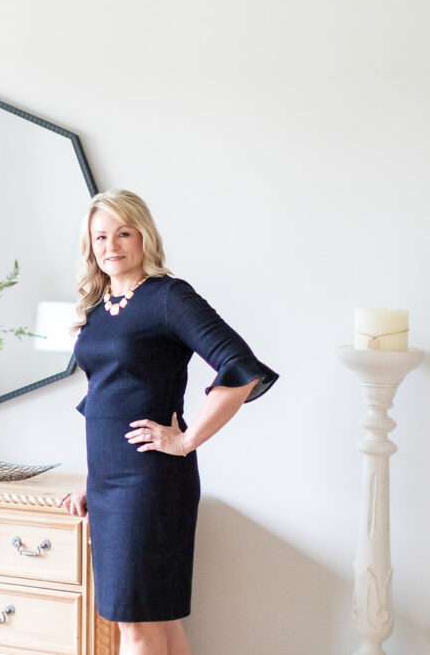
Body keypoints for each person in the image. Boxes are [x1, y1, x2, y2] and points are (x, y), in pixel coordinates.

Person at [61, 189, 278, 655]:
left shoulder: (167, 297)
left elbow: (241, 369)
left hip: (151, 481)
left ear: (144, 236)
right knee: (155, 621)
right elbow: (106, 398)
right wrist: (92, 480)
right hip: (107, 483)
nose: (110, 245)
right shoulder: (97, 309)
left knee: (137, 625)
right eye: (100, 236)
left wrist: (184, 441)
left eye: (123, 232)